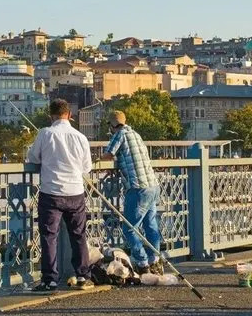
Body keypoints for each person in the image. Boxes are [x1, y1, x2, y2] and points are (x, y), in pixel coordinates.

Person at [27, 99, 94, 291]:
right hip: (75, 192)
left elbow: (33, 158)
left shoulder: (45, 133)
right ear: (70, 115)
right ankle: (83, 276)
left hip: (51, 192)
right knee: (78, 235)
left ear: (51, 115)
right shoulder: (80, 137)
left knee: (49, 236)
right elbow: (86, 167)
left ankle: (50, 280)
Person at [101, 110, 163, 275]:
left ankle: (142, 263)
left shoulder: (119, 134)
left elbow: (108, 155)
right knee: (151, 226)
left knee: (129, 228)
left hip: (138, 187)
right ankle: (154, 261)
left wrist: (97, 160)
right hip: (153, 186)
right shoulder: (136, 134)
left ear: (112, 125)